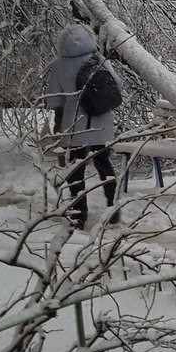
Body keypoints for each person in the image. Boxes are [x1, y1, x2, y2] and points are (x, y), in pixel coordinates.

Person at [44, 23, 121, 228]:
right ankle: (113, 209)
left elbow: (55, 100)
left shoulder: (59, 65)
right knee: (104, 165)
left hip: (75, 124)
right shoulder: (98, 59)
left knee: (75, 170)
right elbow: (117, 85)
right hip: (101, 122)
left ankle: (79, 214)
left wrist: (59, 124)